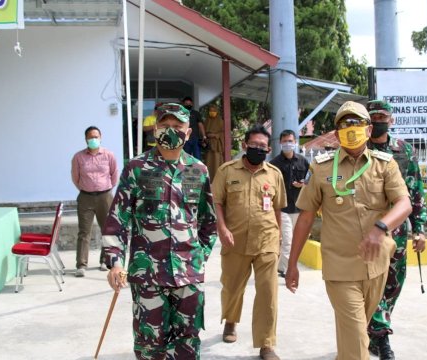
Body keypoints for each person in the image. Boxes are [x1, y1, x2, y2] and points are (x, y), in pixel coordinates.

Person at [285, 101, 412, 360]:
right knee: (356, 337)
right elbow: (306, 218)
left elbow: (404, 203)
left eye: (356, 123)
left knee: (355, 333)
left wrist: (381, 228)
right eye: (344, 124)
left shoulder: (384, 165)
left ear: (368, 130)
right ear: (337, 132)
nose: (350, 129)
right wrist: (292, 264)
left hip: (376, 265)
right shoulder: (321, 168)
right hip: (340, 267)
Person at [101, 103, 217, 360]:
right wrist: (115, 262)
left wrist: (198, 257)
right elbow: (117, 219)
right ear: (155, 129)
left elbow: (209, 223)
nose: (171, 131)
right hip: (148, 276)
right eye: (165, 125)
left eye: (178, 127)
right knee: (150, 343)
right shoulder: (137, 168)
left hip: (188, 277)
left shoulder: (198, 170)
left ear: (188, 133)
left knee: (187, 343)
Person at [212, 124, 286, 360]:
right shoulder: (227, 171)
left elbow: (277, 208)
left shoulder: (274, 174)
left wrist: (279, 235)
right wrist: (221, 227)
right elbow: (217, 203)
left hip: (267, 240)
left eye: (263, 146)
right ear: (244, 146)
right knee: (232, 287)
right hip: (235, 241)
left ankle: (266, 343)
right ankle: (231, 320)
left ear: (268, 148)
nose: (258, 149)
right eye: (253, 145)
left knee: (268, 293)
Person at [365, 99, 427, 360]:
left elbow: (416, 192)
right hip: (368, 228)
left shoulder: (405, 151)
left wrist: (420, 229)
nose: (378, 120)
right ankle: (380, 336)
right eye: (373, 116)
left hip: (398, 231)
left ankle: (376, 329)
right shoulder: (358, 149)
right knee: (370, 282)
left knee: (393, 283)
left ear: (391, 120)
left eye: (382, 116)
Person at [71, 126, 118, 277]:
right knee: (84, 231)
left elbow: (114, 174)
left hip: (105, 197)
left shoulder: (109, 155)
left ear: (101, 137)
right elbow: (75, 177)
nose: (94, 139)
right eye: (91, 137)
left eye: (96, 136)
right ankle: (81, 265)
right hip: (85, 197)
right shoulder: (78, 157)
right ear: (86, 139)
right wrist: (86, 188)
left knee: (107, 230)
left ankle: (104, 261)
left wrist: (106, 188)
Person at [269, 129, 310, 277]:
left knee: (297, 241)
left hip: (299, 207)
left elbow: (310, 181)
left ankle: (284, 266)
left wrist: (303, 185)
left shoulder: (303, 161)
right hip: (283, 209)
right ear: (280, 143)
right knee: (287, 241)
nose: (288, 144)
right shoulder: (274, 164)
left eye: (290, 141)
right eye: (285, 141)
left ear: (295, 142)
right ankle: (285, 269)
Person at [203, 104, 224, 180]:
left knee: (216, 161)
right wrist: (207, 136)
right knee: (208, 161)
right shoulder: (206, 120)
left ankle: (217, 178)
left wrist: (215, 135)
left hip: (217, 145)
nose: (212, 112)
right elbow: (203, 131)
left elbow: (223, 132)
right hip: (209, 144)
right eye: (210, 111)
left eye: (214, 111)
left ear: (217, 111)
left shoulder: (220, 121)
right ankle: (208, 178)